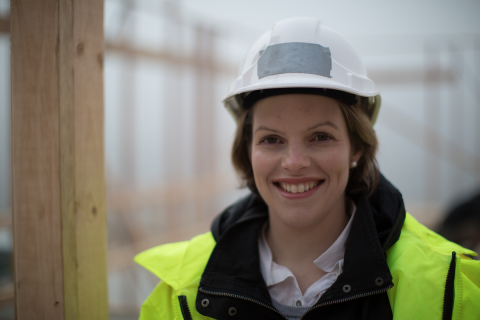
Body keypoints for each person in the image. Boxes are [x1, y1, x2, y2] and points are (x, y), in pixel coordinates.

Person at [135, 17, 480, 320]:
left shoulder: (448, 289)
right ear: (247, 149)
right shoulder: (180, 295)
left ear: (356, 147)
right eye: (271, 140)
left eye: (320, 136)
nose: (295, 162)